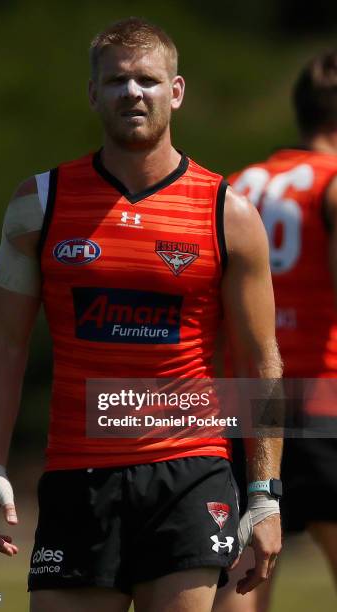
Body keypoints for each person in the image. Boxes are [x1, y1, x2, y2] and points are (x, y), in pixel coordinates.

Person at [0, 18, 282, 612]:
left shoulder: (229, 212)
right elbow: (4, 344)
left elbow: (259, 356)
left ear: (177, 91)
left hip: (190, 473)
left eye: (147, 79)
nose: (132, 93)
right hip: (76, 476)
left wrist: (265, 493)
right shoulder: (39, 204)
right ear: (93, 94)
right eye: (116, 81)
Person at [213, 49, 337, 612]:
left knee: (247, 571)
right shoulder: (332, 182)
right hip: (324, 392)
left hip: (252, 397)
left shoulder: (241, 184)